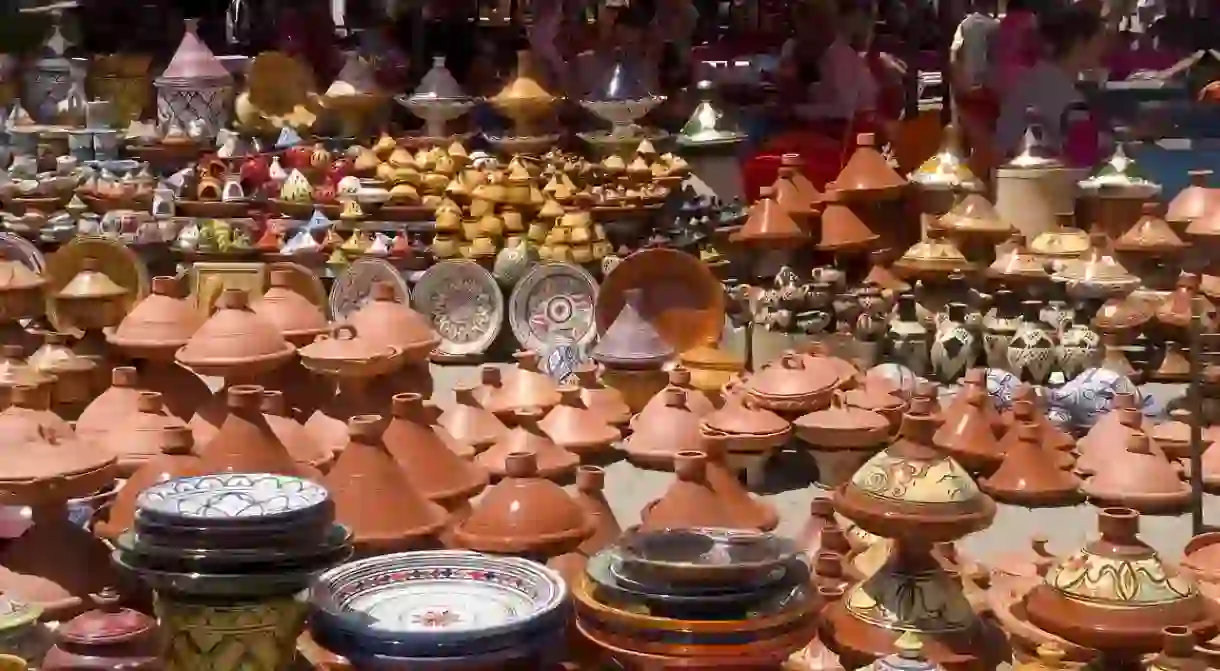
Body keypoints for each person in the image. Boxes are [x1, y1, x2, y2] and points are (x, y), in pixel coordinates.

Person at [994, 3, 1108, 156]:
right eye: (1098, 40)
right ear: (1080, 43)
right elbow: (1084, 148)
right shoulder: (1063, 94)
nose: (1103, 47)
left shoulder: (1034, 79)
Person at [776, 0, 879, 122]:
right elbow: (786, 92)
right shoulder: (792, 48)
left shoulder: (841, 56)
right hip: (816, 128)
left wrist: (796, 111)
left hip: (855, 129)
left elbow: (845, 111)